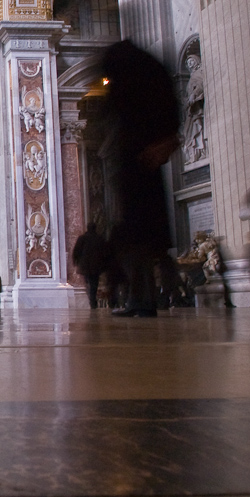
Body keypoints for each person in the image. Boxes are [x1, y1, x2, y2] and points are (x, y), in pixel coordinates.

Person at [100, 40, 180, 317]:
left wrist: (166, 141)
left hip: (140, 161)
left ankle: (142, 299)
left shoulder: (138, 82)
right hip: (137, 160)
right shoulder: (146, 75)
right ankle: (140, 298)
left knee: (137, 238)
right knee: (138, 238)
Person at [72, 222, 108, 309]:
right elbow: (105, 252)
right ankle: (92, 300)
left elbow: (76, 251)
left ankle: (92, 300)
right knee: (94, 283)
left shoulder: (82, 238)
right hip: (96, 265)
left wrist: (75, 261)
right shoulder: (99, 238)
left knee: (89, 283)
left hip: (85, 266)